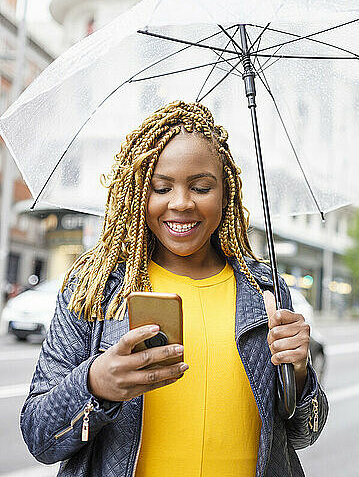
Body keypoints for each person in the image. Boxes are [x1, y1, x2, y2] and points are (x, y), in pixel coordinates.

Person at [21, 100, 328, 477]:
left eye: (200, 187)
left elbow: (303, 434)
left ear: (226, 192)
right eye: (161, 188)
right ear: (136, 194)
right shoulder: (97, 287)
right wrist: (95, 384)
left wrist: (297, 371)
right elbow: (39, 435)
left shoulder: (263, 287)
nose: (181, 203)